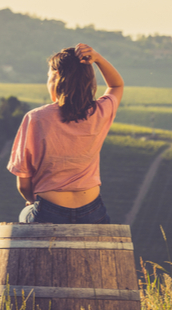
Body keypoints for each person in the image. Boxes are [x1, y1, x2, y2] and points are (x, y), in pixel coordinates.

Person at [7, 43, 124, 223]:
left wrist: (31, 201)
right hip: (93, 210)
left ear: (57, 77)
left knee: (24, 216)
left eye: (48, 76)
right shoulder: (100, 112)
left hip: (49, 210)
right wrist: (97, 58)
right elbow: (116, 85)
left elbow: (23, 182)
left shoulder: (36, 118)